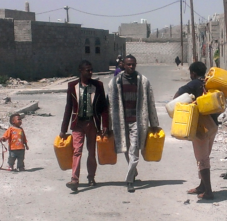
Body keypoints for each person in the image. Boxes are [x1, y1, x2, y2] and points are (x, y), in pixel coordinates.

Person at [109, 54, 159, 193]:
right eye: (128, 64)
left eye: (133, 64)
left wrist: (154, 123)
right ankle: (133, 172)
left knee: (134, 151)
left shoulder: (143, 81)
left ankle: (129, 180)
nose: (131, 67)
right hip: (121, 122)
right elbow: (110, 106)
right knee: (126, 149)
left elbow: (150, 103)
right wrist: (107, 125)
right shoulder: (114, 82)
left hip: (137, 121)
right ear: (123, 65)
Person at [60, 60, 110, 192]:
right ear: (80, 71)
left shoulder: (98, 85)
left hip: (92, 123)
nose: (91, 72)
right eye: (88, 70)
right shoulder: (72, 86)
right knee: (77, 151)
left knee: (91, 152)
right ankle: (74, 179)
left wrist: (105, 125)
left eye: (91, 69)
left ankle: (91, 177)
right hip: (78, 123)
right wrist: (63, 129)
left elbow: (104, 107)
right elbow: (68, 107)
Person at [174, 61, 220, 200]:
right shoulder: (211, 84)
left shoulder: (194, 84)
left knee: (202, 159)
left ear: (192, 73)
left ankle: (209, 192)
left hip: (201, 127)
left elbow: (177, 97)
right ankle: (202, 186)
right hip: (213, 125)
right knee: (205, 156)